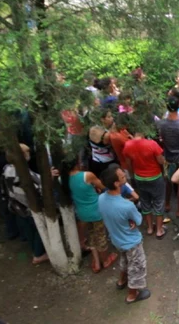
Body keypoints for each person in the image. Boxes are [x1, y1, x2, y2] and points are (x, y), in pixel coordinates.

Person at [98, 165, 151, 304]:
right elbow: (139, 220)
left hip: (116, 239)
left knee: (125, 261)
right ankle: (132, 295)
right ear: (116, 183)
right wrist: (131, 218)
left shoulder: (101, 199)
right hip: (131, 242)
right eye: (122, 177)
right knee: (136, 267)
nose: (125, 177)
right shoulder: (127, 206)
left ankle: (121, 281)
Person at [62, 158, 118, 273]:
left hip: (82, 213)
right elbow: (102, 187)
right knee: (101, 235)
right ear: (77, 164)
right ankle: (105, 260)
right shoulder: (87, 175)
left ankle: (97, 263)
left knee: (91, 235)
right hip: (96, 210)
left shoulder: (63, 179)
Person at [1, 143, 49, 265]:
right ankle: (39, 255)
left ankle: (35, 250)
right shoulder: (22, 173)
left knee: (29, 230)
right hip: (29, 207)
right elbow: (39, 187)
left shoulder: (7, 169)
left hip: (16, 207)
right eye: (27, 153)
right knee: (40, 228)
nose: (29, 155)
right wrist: (49, 177)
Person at [122, 129, 167, 239]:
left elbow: (128, 164)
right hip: (155, 177)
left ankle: (150, 228)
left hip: (139, 177)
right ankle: (159, 230)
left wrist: (133, 177)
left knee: (145, 202)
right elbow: (161, 161)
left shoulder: (127, 145)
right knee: (158, 202)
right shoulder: (152, 144)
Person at [157, 96, 179, 218]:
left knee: (167, 182)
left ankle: (166, 204)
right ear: (178, 107)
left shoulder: (161, 124)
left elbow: (160, 138)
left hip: (168, 156)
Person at [88, 107, 117, 177]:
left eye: (111, 116)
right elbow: (105, 141)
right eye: (109, 117)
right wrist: (113, 130)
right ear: (102, 119)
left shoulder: (108, 129)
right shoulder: (94, 130)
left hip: (111, 161)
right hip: (101, 163)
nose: (112, 118)